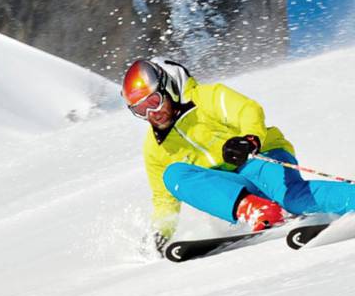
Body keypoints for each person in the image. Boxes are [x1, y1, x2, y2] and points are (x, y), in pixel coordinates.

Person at [121, 58, 355, 256]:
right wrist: (160, 235)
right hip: (237, 189)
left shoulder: (204, 98)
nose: (153, 113)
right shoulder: (155, 148)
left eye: (154, 101)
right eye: (141, 110)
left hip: (259, 159)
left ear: (167, 88)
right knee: (173, 175)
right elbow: (164, 200)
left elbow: (247, 110)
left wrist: (249, 139)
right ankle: (258, 211)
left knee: (293, 198)